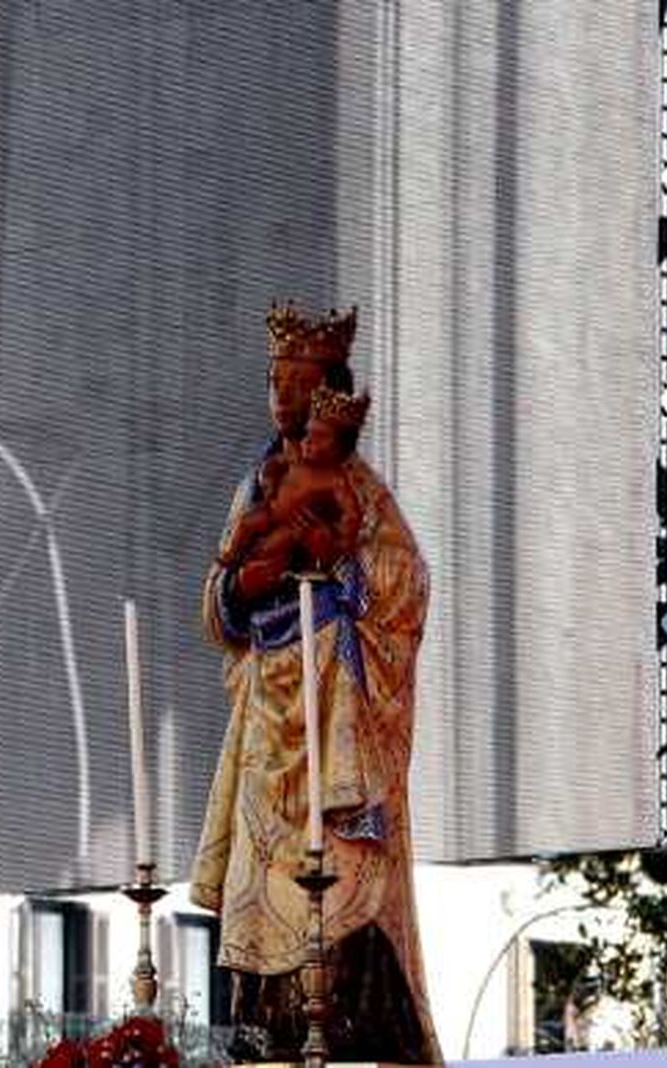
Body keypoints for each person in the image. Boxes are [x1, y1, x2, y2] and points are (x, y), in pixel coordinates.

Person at [189, 301, 442, 1064]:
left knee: (345, 884)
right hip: (271, 713)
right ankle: (266, 1034)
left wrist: (340, 572)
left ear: (331, 394)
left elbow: (408, 581)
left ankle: (353, 1032)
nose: (284, 399)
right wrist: (245, 586)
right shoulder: (257, 484)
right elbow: (220, 597)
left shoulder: (360, 493)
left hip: (336, 700)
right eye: (275, 382)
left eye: (299, 384)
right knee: (261, 887)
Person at [216, 382, 369, 579]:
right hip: (271, 511)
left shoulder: (336, 479)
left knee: (271, 547)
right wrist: (269, 482)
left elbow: (352, 513)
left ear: (340, 449)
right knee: (245, 523)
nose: (307, 441)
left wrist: (338, 536)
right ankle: (232, 554)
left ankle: (255, 561)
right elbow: (273, 465)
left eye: (319, 437)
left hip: (295, 525)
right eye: (308, 433)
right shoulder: (297, 460)